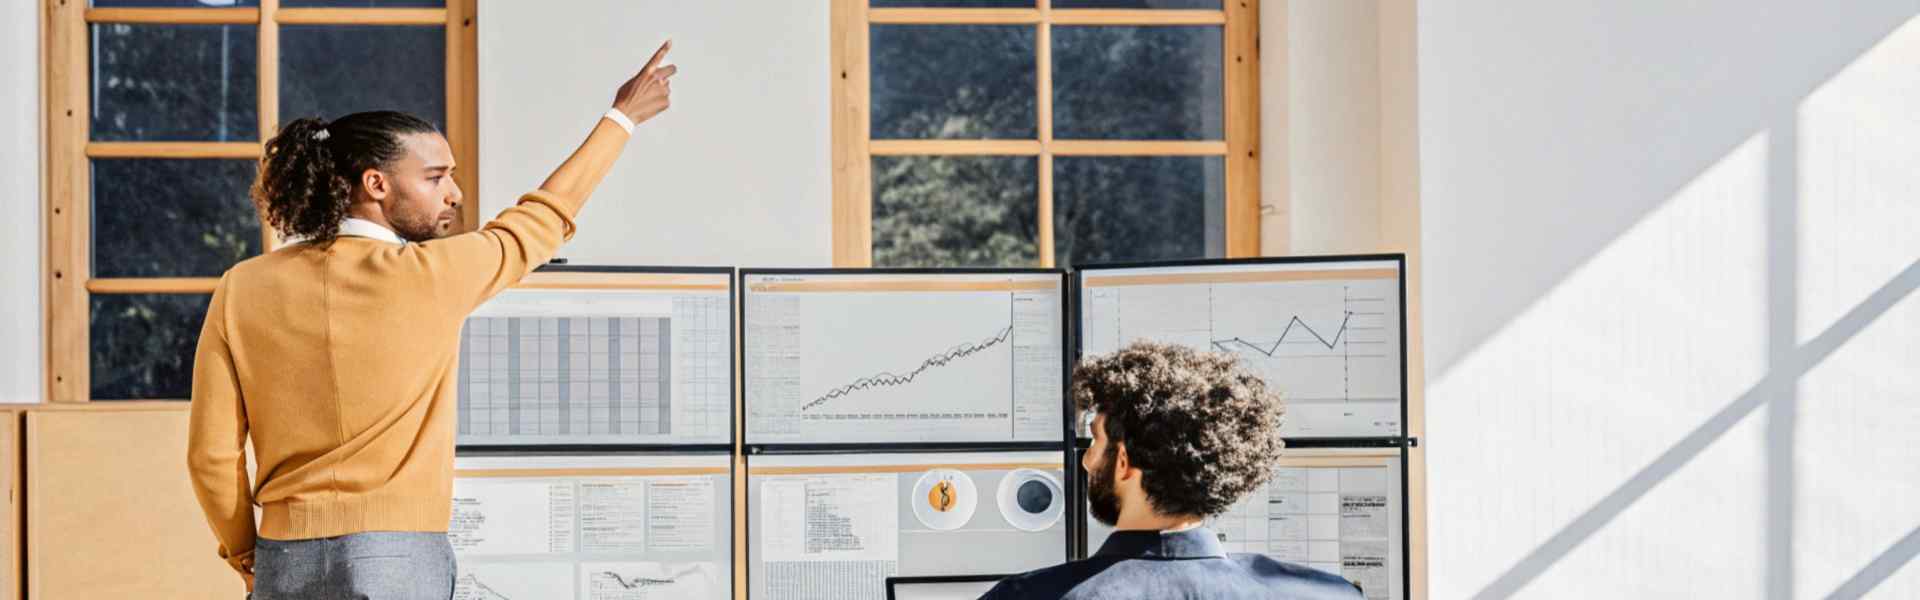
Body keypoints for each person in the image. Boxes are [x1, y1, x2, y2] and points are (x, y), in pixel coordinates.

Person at [185, 39, 678, 600]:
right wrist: (622, 118)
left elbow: (211, 456)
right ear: (376, 185)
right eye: (436, 177)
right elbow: (544, 216)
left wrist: (247, 553)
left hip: (283, 559)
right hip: (397, 558)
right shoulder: (432, 274)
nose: (456, 194)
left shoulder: (242, 287)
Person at [981, 341, 1365, 599]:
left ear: (1125, 461)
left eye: (1096, 440)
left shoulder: (1028, 597)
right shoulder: (1330, 594)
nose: (1086, 459)